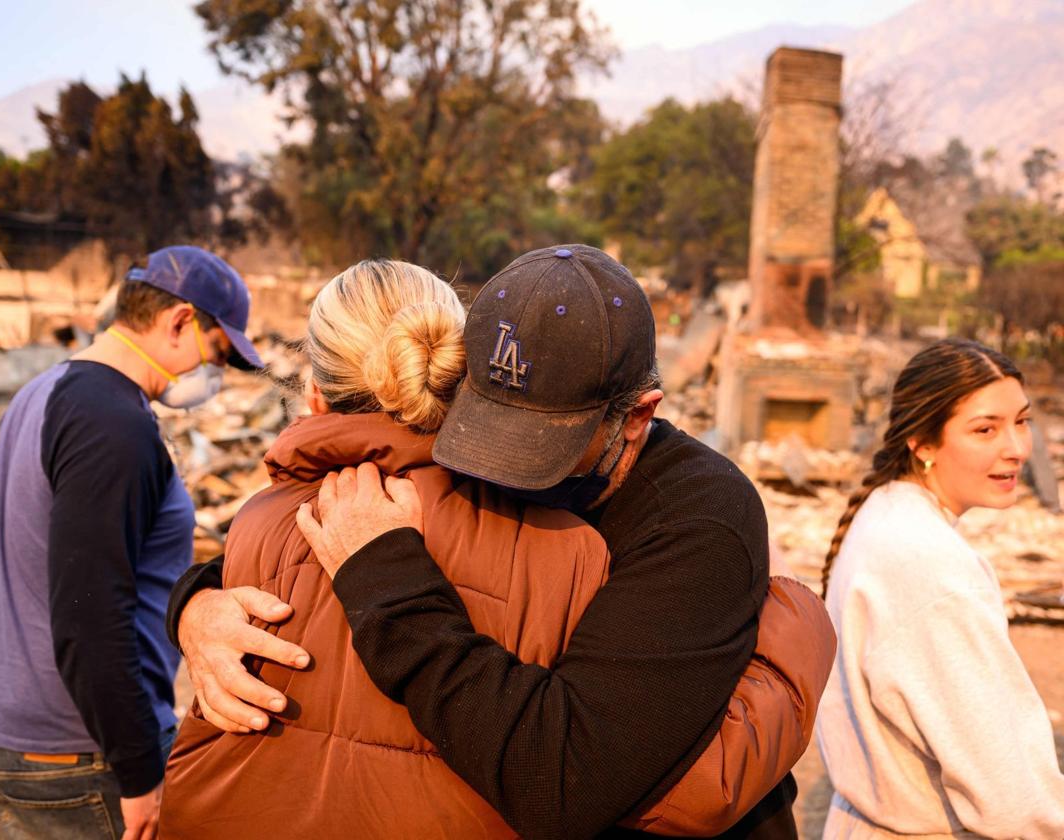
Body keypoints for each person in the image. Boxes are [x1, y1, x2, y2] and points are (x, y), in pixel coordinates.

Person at [169, 246, 836, 837]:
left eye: (544, 445)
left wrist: (387, 579)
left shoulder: (697, 519)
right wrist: (196, 606)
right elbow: (306, 548)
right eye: (484, 422)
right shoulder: (460, 475)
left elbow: (569, 783)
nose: (498, 467)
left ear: (636, 417)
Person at [0, 246, 266, 840]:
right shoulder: (113, 426)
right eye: (219, 354)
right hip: (80, 754)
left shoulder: (41, 393)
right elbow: (91, 618)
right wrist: (138, 773)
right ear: (179, 321)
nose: (215, 377)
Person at [816, 338, 1064, 838]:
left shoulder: (887, 515)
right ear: (923, 443)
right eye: (985, 429)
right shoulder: (930, 566)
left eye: (1021, 421)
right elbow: (1008, 793)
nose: (1015, 448)